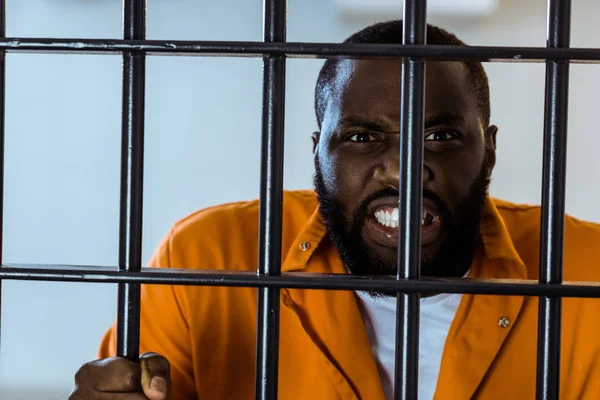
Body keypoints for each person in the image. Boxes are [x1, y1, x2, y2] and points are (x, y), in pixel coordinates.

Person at [69, 20, 600, 400]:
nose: (402, 169)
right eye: (363, 136)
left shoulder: (587, 268)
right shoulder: (205, 257)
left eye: (439, 135)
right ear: (317, 150)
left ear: (488, 148)